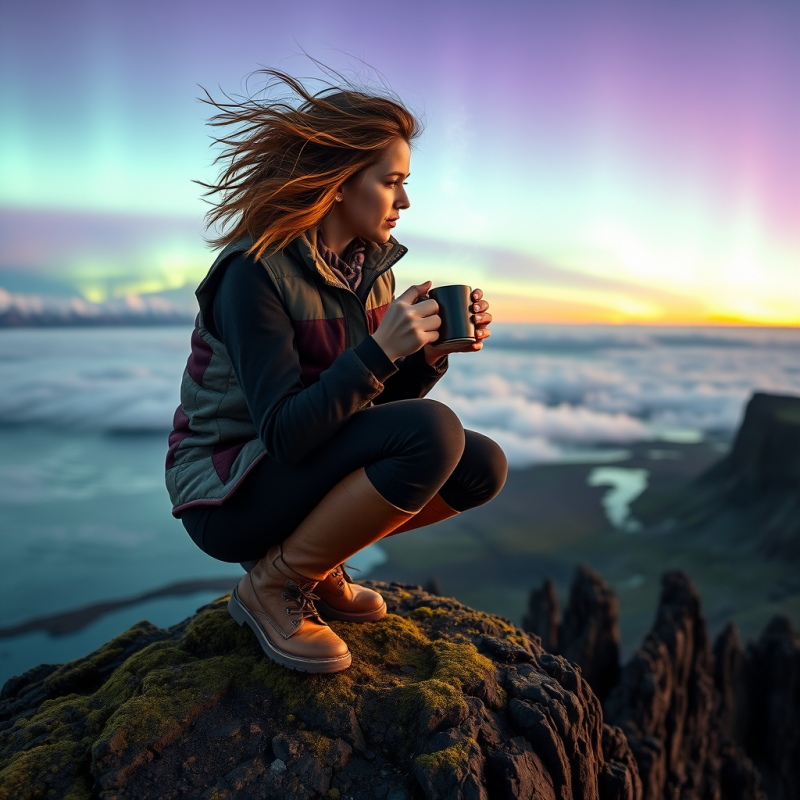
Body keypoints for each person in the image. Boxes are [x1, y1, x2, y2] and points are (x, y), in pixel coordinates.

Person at [165, 68, 508, 674]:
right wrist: (380, 350)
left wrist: (423, 359)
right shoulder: (254, 274)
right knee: (435, 433)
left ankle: (312, 563)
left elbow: (361, 412)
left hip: (292, 464)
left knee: (478, 466)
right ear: (341, 182)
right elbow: (286, 432)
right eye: (392, 183)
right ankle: (275, 585)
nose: (404, 202)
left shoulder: (371, 272)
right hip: (227, 490)